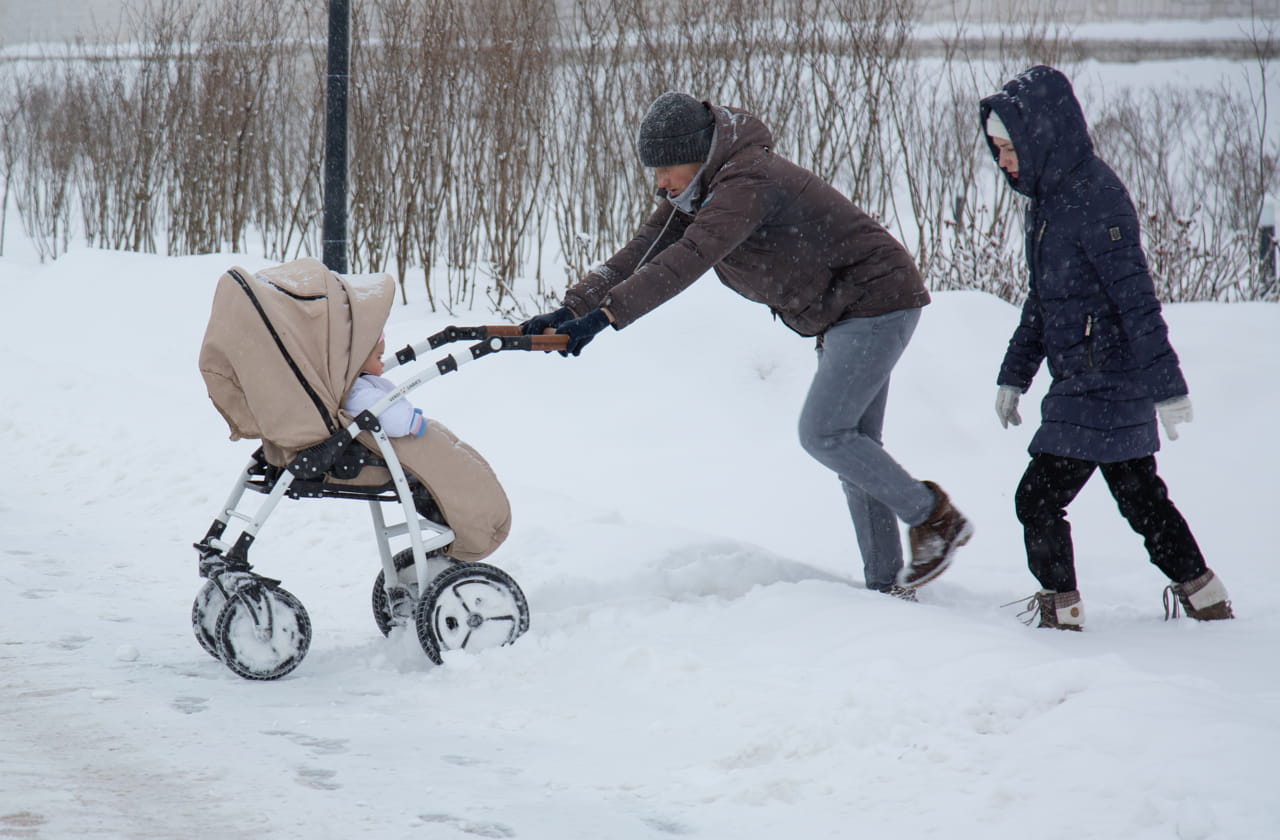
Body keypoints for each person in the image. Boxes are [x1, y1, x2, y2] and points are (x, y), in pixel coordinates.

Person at [523, 91, 972, 598]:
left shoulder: (745, 182)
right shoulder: (698, 193)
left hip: (874, 299)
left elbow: (691, 256)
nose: (660, 182)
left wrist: (606, 317)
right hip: (847, 308)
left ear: (698, 154)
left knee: (825, 434)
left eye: (667, 168)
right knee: (854, 449)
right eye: (654, 170)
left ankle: (933, 518)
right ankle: (888, 588)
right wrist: (573, 308)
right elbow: (639, 255)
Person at [981, 66, 1232, 630]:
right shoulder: (1046, 199)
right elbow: (1042, 300)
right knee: (1140, 498)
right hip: (1084, 381)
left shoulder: (1095, 198)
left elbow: (1136, 300)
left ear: (1039, 137)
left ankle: (1061, 611)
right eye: (996, 149)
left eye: (1008, 147)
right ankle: (1204, 594)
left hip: (1106, 382)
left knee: (1037, 499)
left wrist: (1167, 389)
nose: (1002, 161)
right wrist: (1014, 375)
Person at [342, 333, 427, 438]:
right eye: (379, 357)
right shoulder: (356, 390)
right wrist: (411, 421)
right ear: (360, 360)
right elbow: (379, 407)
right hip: (400, 434)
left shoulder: (360, 382)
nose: (382, 364)